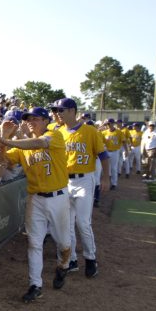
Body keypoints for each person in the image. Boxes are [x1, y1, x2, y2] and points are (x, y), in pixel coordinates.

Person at [0, 106, 71, 302]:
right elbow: (5, 160)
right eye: (28, 120)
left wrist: (6, 140)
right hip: (35, 198)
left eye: (35, 119)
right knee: (34, 242)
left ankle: (63, 265)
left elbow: (39, 143)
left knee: (64, 243)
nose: (31, 122)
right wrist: (3, 141)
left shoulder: (55, 135)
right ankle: (35, 284)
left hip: (58, 197)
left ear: (45, 121)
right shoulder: (21, 145)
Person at [50, 98, 108, 278]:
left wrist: (106, 177)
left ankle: (91, 259)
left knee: (82, 222)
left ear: (72, 110)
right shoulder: (58, 132)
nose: (58, 113)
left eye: (62, 110)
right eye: (57, 110)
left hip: (84, 180)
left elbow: (103, 155)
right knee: (66, 224)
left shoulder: (89, 130)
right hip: (64, 181)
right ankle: (72, 260)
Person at [101, 119, 123, 190]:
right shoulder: (104, 132)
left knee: (114, 168)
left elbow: (124, 141)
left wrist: (127, 150)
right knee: (106, 168)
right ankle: (106, 182)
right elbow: (99, 140)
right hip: (106, 151)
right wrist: (102, 125)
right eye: (107, 124)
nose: (108, 125)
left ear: (113, 124)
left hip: (115, 151)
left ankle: (114, 183)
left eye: (110, 123)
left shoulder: (119, 132)